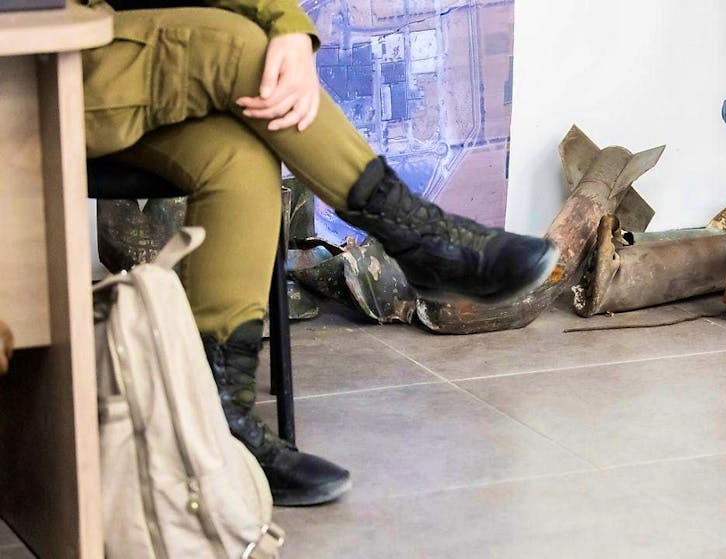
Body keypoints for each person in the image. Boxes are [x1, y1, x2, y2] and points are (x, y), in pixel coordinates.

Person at [80, 0, 559, 506]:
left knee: (238, 160)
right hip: (34, 62)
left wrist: (287, 26)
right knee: (245, 48)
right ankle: (422, 241)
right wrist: (282, 31)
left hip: (121, 71)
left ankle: (217, 427)